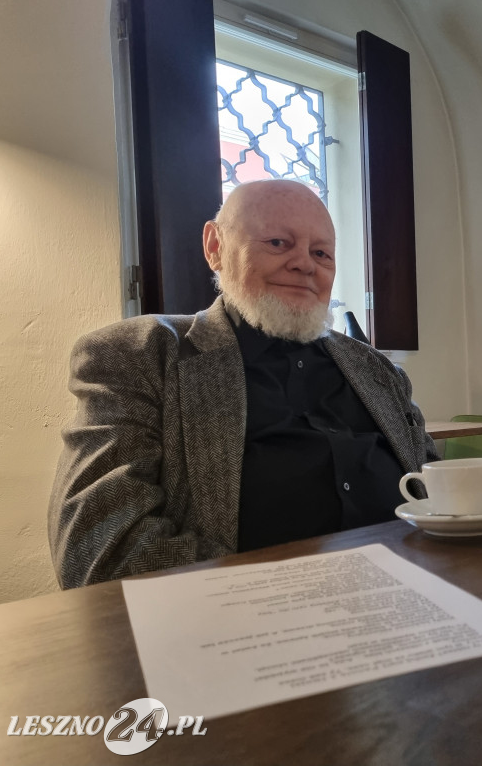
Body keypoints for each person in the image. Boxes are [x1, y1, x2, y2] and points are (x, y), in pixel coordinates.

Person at [48, 179, 438, 588]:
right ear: (215, 247)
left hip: (416, 589)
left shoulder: (376, 369)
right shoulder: (140, 355)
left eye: (321, 253)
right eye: (277, 243)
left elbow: (438, 490)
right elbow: (99, 549)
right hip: (242, 622)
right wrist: (286, 592)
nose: (305, 264)